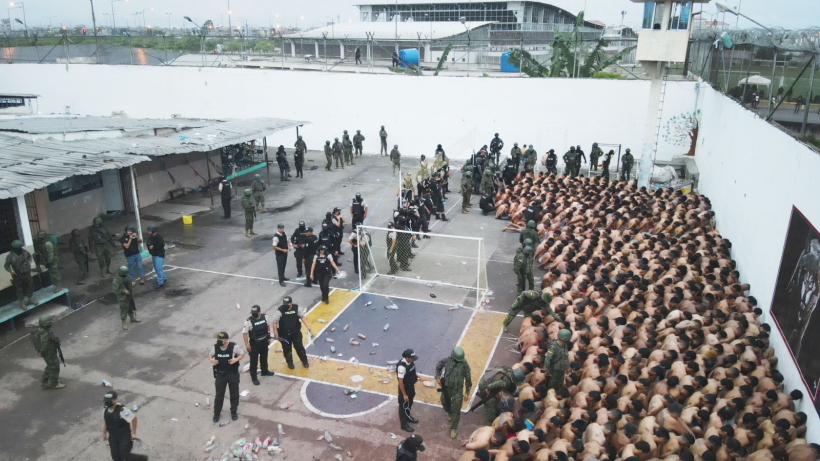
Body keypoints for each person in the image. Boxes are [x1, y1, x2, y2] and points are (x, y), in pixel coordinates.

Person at [436, 346, 473, 439]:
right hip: (447, 387)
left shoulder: (464, 365)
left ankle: (454, 428)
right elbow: (438, 367)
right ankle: (449, 412)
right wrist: (437, 377)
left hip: (457, 390)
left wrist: (467, 392)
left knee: (456, 409)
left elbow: (468, 379)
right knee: (444, 402)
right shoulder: (447, 360)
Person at [208, 332, 245, 422]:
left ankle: (233, 412)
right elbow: (210, 355)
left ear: (226, 340)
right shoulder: (216, 347)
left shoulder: (233, 346)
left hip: (232, 374)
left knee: (234, 394)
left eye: (221, 340)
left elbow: (242, 354)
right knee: (219, 395)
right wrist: (212, 360)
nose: (219, 342)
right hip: (220, 375)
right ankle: (216, 414)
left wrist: (235, 359)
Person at [272, 296, 312, 369]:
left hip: (295, 333)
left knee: (299, 348)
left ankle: (305, 361)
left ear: (291, 303)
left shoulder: (296, 308)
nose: (286, 305)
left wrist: (308, 326)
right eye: (285, 304)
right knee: (287, 350)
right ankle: (290, 363)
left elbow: (302, 316)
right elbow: (274, 322)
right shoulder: (280, 310)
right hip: (284, 334)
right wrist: (276, 333)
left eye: (287, 304)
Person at [102, 391, 140, 461]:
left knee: (125, 455)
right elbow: (106, 422)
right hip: (113, 437)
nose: (108, 403)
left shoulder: (122, 410)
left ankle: (143, 459)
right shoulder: (105, 410)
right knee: (115, 457)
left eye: (110, 401)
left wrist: (133, 433)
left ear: (116, 400)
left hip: (124, 436)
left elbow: (134, 419)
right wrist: (104, 433)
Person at [242, 305, 274, 385]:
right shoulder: (249, 321)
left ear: (259, 312)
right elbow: (245, 333)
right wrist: (247, 345)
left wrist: (269, 337)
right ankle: (254, 377)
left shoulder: (265, 317)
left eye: (256, 313)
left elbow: (268, 327)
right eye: (253, 313)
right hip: (254, 344)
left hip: (264, 341)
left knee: (264, 357)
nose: (254, 314)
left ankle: (264, 371)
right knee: (254, 361)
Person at [33, 314, 65, 389]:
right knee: (54, 366)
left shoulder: (39, 330)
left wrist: (39, 351)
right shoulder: (44, 334)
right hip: (49, 353)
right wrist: (42, 353)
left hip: (46, 353)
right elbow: (44, 345)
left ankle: (44, 382)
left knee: (50, 366)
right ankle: (54, 383)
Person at [5, 240, 34, 310]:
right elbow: (6, 266)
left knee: (29, 285)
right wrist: (11, 271)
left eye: (20, 247)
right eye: (17, 248)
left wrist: (29, 261)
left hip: (26, 272)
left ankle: (30, 298)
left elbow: (30, 256)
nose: (19, 249)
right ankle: (22, 303)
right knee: (19, 288)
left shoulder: (24, 252)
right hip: (17, 275)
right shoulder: (10, 256)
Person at [397, 348, 420, 432]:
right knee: (403, 406)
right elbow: (400, 382)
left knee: (410, 403)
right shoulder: (401, 367)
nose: (413, 360)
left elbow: (412, 371)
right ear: (407, 358)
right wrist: (404, 394)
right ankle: (403, 424)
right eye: (412, 358)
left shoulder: (410, 362)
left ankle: (408, 417)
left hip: (411, 387)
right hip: (405, 389)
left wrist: (417, 376)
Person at [112, 266, 140, 330]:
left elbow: (130, 279)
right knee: (124, 309)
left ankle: (132, 318)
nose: (126, 275)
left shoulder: (126, 276)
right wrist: (124, 291)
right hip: (122, 298)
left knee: (131, 307)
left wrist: (132, 282)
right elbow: (115, 291)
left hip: (129, 295)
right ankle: (124, 322)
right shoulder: (116, 280)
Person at [146, 225, 166, 289]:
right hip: (154, 255)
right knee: (157, 268)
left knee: (158, 268)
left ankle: (160, 282)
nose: (148, 232)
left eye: (149, 231)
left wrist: (153, 247)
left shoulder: (159, 237)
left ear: (153, 231)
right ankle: (164, 278)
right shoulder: (151, 237)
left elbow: (161, 245)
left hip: (159, 255)